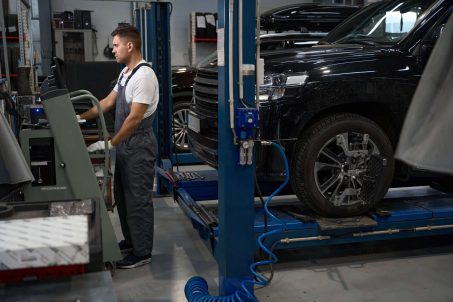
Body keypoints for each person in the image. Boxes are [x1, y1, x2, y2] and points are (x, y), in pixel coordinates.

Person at [79, 24, 158, 269]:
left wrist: (110, 142)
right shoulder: (126, 73)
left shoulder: (144, 76)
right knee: (124, 198)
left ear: (129, 46)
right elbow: (107, 102)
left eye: (115, 45)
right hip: (127, 145)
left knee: (138, 200)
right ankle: (132, 241)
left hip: (139, 145)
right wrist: (81, 117)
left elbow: (134, 118)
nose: (112, 50)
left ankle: (142, 252)